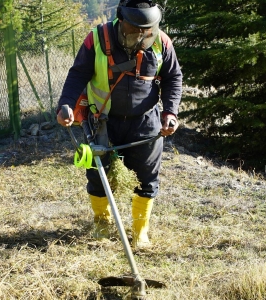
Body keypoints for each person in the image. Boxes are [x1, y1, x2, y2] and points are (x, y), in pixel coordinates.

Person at [56, 0, 182, 248]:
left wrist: (170, 112)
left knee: (146, 178)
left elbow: (172, 78)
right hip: (102, 122)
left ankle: (140, 232)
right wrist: (66, 104)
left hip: (145, 123)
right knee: (98, 175)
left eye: (146, 30)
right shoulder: (97, 38)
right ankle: (102, 225)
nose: (141, 35)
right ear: (121, 19)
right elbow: (78, 74)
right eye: (135, 29)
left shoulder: (161, 43)